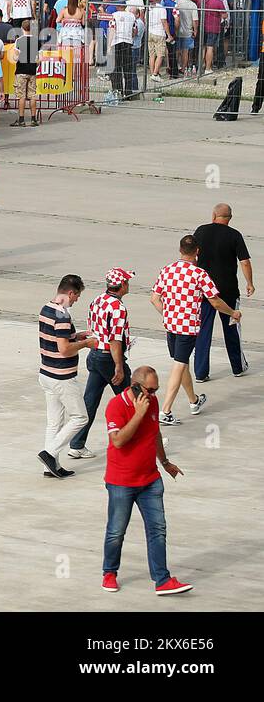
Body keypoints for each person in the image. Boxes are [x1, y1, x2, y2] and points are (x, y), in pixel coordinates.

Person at [101, 365, 192, 595]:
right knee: (116, 531)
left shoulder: (152, 402)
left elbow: (156, 434)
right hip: (121, 482)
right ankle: (109, 573)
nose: (153, 395)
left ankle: (162, 580)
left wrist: (165, 462)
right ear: (134, 385)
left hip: (150, 480)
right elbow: (118, 441)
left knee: (158, 530)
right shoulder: (116, 406)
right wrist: (139, 414)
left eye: (156, 390)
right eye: (150, 390)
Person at [151, 234, 241, 426]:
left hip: (171, 326)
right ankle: (165, 411)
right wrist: (233, 313)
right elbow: (215, 301)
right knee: (179, 365)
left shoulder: (167, 270)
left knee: (181, 363)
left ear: (180, 250)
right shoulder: (200, 274)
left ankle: (194, 401)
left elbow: (155, 298)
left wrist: (167, 314)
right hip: (187, 326)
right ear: (197, 251)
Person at [69, 267, 135, 461]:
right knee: (131, 399)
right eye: (127, 281)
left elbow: (93, 328)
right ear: (122, 285)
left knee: (90, 400)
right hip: (108, 357)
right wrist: (119, 366)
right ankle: (140, 439)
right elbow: (115, 340)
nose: (128, 284)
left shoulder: (97, 300)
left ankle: (77, 444)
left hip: (95, 355)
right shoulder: (118, 308)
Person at [37, 274, 98, 479]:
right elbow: (64, 349)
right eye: (77, 296)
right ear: (70, 293)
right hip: (62, 377)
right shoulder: (62, 315)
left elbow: (58, 339)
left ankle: (50, 467)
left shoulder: (46, 308)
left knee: (54, 422)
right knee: (80, 417)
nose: (76, 300)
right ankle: (50, 453)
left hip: (46, 373)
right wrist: (85, 344)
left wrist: (76, 336)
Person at [191, 203, 253, 382]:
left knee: (203, 330)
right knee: (232, 327)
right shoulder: (234, 235)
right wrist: (249, 283)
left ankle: (201, 373)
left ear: (213, 215)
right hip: (228, 291)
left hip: (204, 290)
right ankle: (237, 367)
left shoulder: (201, 231)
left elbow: (193, 256)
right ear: (230, 218)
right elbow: (245, 262)